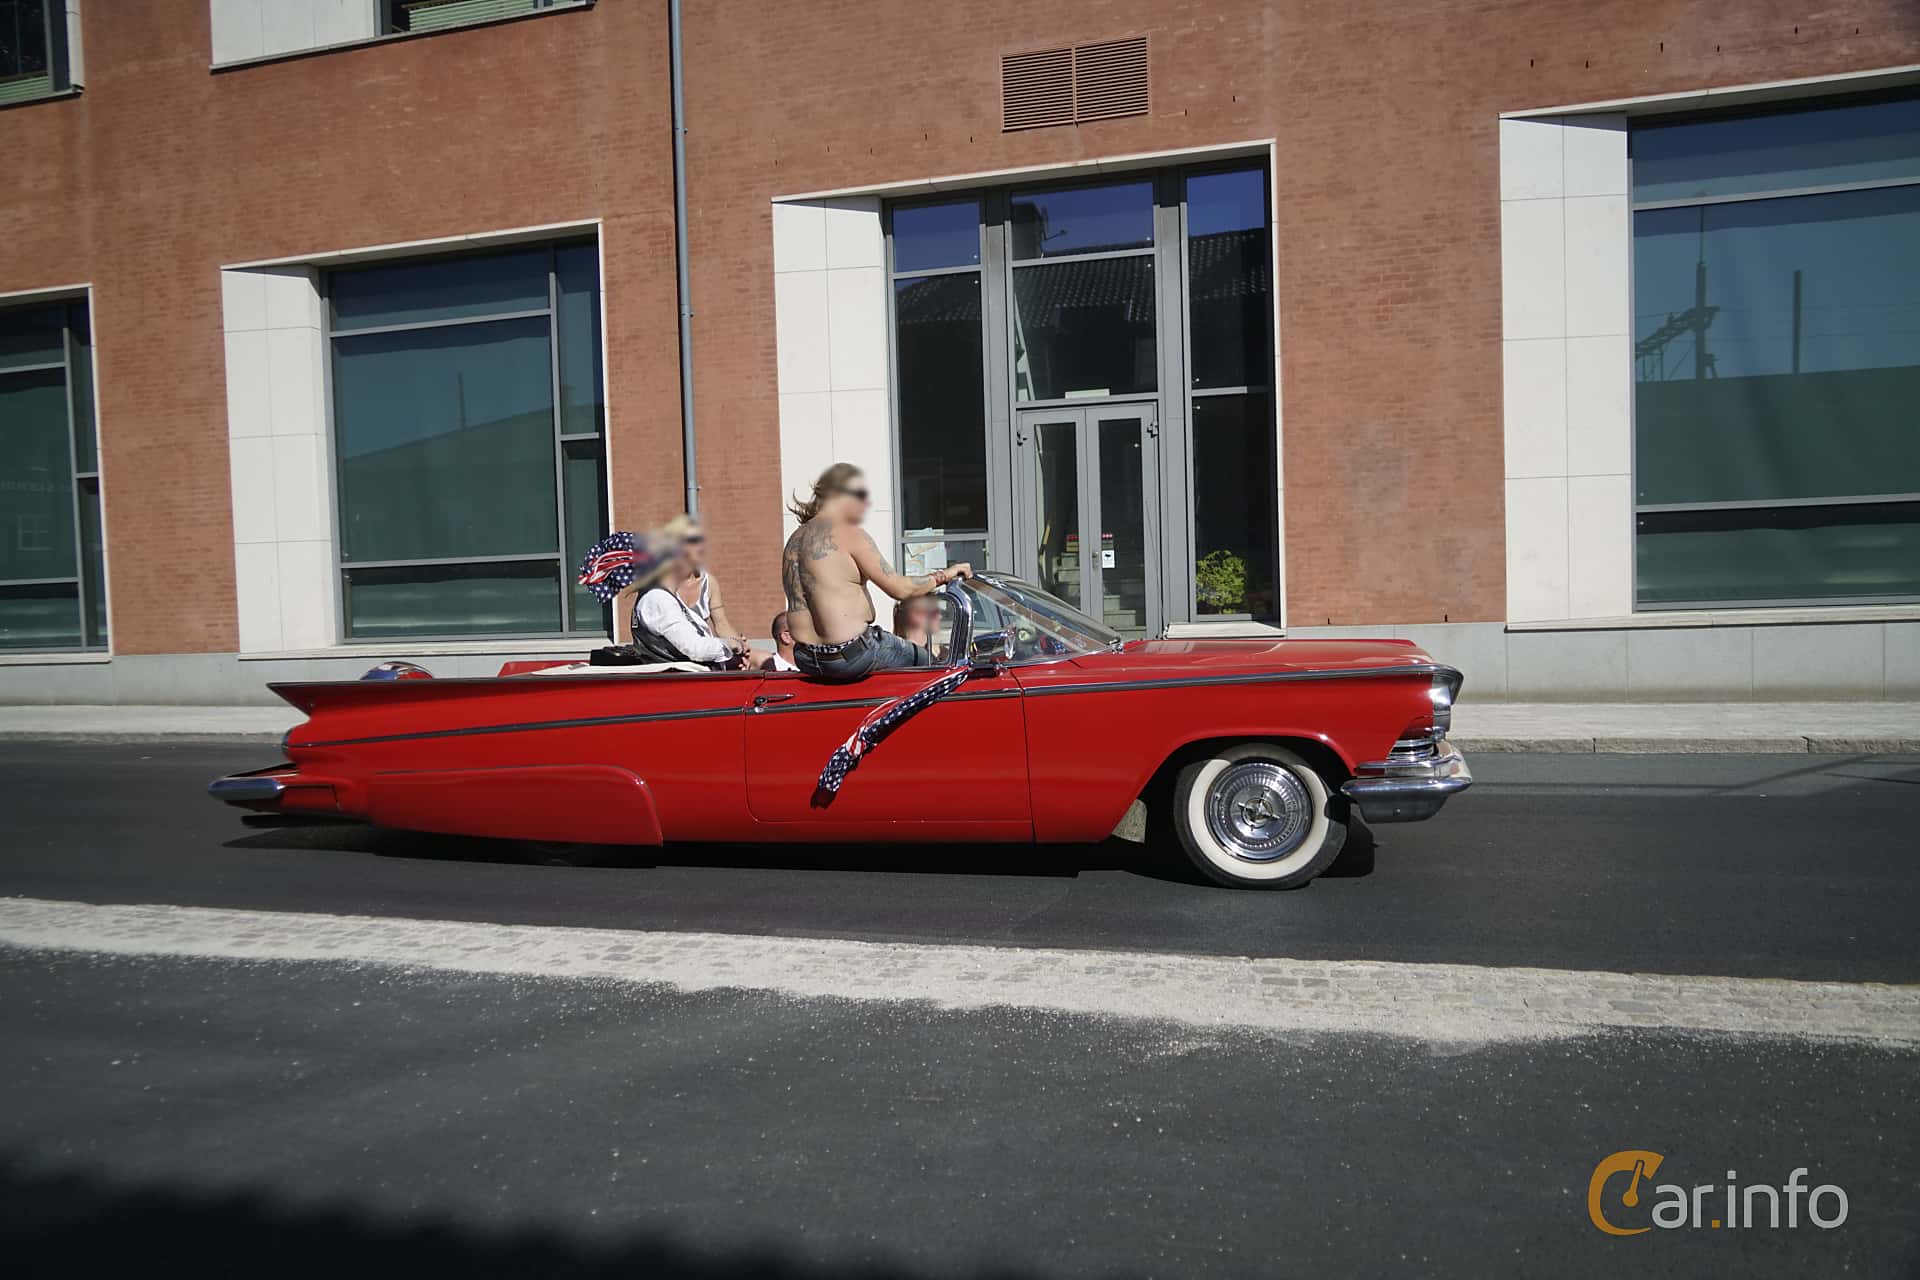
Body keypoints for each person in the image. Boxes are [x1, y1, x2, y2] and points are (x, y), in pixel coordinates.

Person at [780, 462, 971, 682]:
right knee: (931, 666)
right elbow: (901, 589)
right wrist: (946, 574)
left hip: (806, 658)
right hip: (851, 655)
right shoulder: (848, 533)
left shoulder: (794, 541)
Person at [613, 549, 764, 670]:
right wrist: (729, 645)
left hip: (689, 673)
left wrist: (732, 651)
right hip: (682, 680)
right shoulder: (658, 599)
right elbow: (694, 648)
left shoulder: (666, 597)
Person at [663, 513, 747, 649]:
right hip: (671, 654)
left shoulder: (709, 583)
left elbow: (721, 624)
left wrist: (739, 643)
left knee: (758, 658)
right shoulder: (663, 585)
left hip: (704, 651)